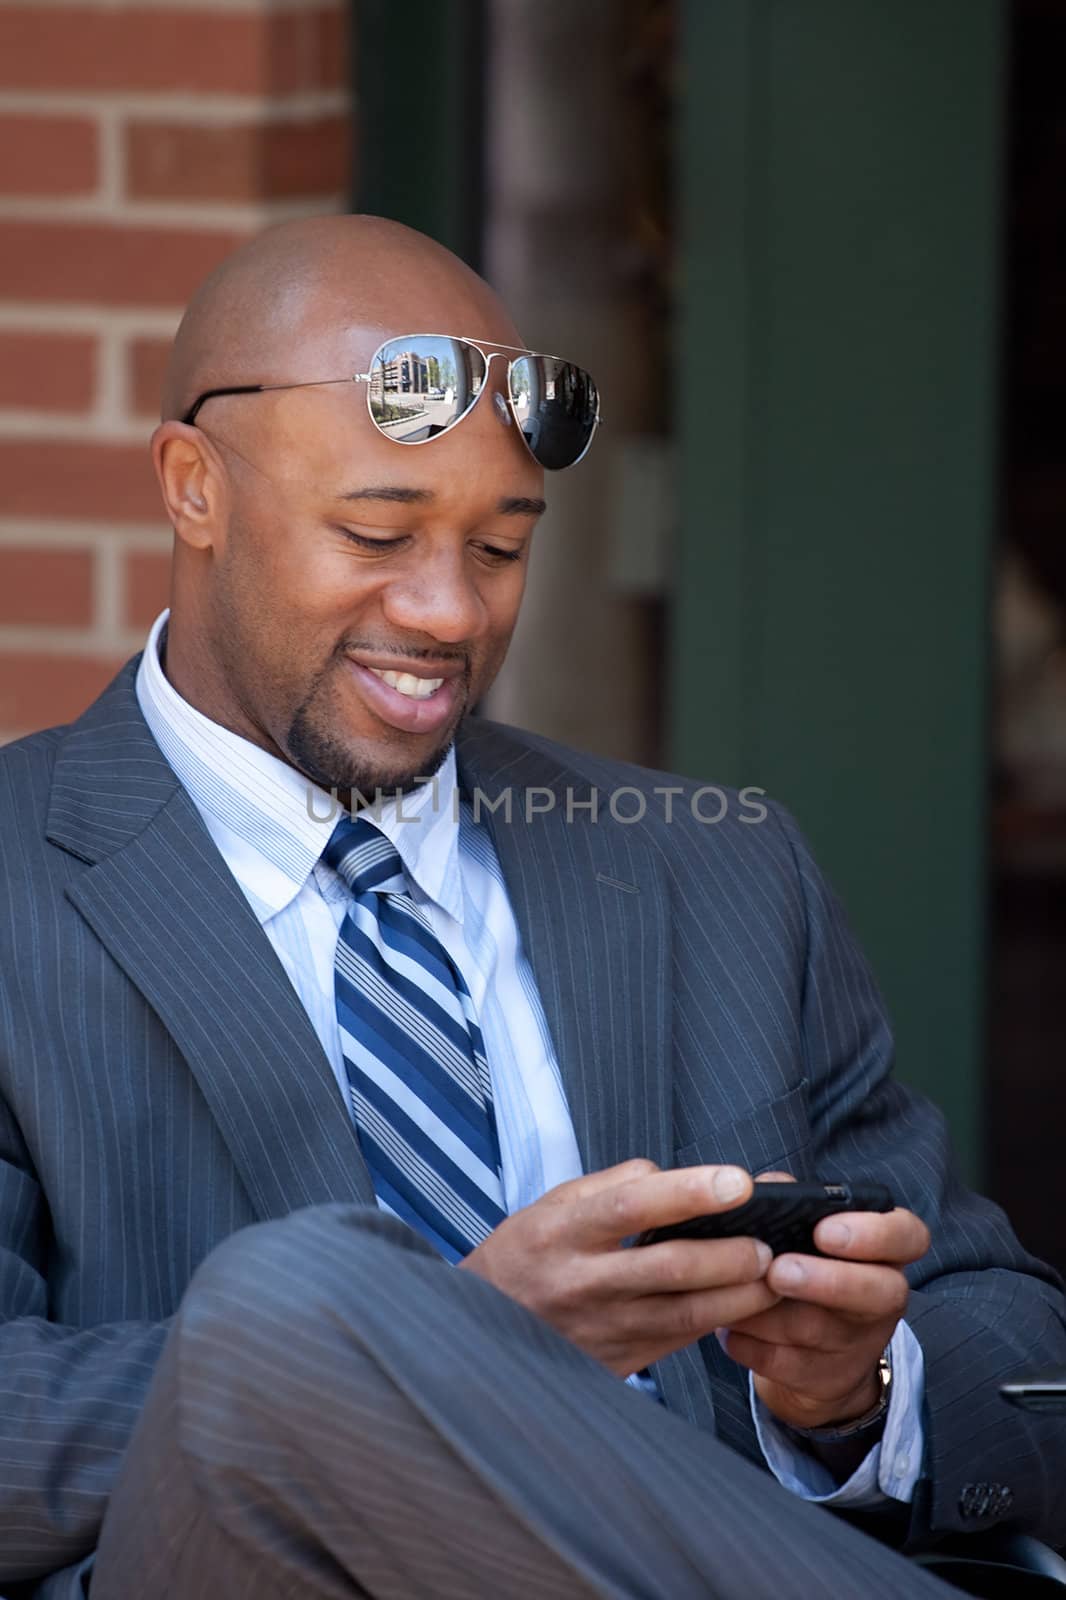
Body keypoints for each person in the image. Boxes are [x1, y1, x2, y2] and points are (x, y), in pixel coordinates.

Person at [0, 215, 1062, 1600]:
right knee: (294, 1304)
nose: (447, 614)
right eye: (378, 532)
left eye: (500, 549)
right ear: (193, 489)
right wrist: (448, 1350)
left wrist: (859, 1394)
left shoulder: (717, 871)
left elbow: (1017, 1348)